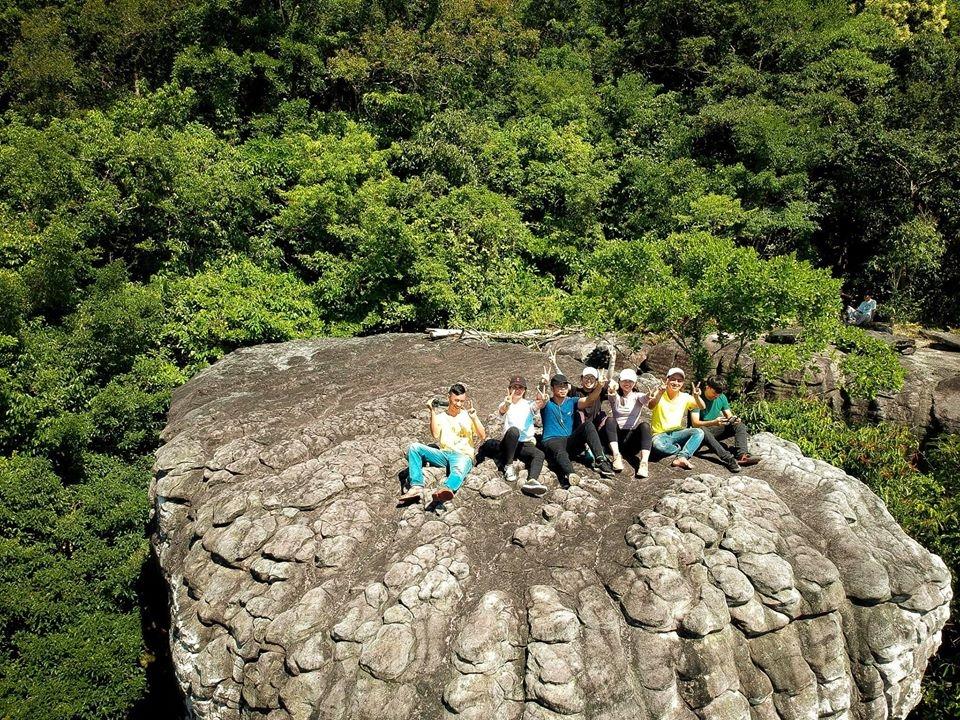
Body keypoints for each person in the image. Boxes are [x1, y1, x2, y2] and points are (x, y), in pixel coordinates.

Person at [399, 383, 486, 505]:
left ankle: (446, 489)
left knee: (458, 470)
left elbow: (482, 436)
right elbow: (435, 434)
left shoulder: (468, 415)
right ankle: (416, 487)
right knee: (414, 447)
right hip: (444, 454)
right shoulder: (441, 417)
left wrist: (475, 418)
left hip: (463, 455)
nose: (459, 404)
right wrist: (432, 411)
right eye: (456, 400)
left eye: (462, 401)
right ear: (448, 397)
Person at [535, 372, 615, 486]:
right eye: (559, 386)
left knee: (588, 425)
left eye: (565, 386)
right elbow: (540, 399)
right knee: (560, 451)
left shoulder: (572, 401)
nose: (563, 389)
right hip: (551, 440)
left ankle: (600, 460)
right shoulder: (546, 403)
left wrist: (599, 386)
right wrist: (543, 383)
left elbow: (589, 400)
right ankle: (571, 474)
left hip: (569, 440)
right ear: (552, 388)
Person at [690, 376, 760, 468]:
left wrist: (734, 420)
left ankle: (743, 455)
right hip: (700, 433)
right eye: (715, 393)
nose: (716, 396)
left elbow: (729, 416)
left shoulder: (721, 397)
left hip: (715, 430)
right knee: (702, 429)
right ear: (708, 387)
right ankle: (727, 458)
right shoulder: (697, 398)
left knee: (739, 425)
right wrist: (714, 422)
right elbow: (695, 423)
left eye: (719, 394)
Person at [497, 375, 548, 497]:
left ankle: (532, 481)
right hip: (509, 443)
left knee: (539, 454)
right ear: (509, 389)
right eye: (514, 387)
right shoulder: (505, 403)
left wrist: (543, 384)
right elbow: (502, 410)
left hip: (524, 444)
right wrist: (507, 404)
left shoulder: (529, 404)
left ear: (524, 390)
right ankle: (508, 466)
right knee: (514, 431)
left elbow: (539, 404)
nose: (518, 390)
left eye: (521, 387)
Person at [649, 367, 705, 470]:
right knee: (658, 446)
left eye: (679, 381)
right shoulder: (659, 393)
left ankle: (682, 457)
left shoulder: (685, 397)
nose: (676, 383)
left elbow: (702, 407)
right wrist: (660, 393)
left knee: (699, 432)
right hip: (660, 435)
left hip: (677, 433)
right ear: (667, 380)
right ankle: (679, 448)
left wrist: (697, 397)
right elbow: (650, 406)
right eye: (673, 379)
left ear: (683, 383)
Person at [606, 368, 654, 478]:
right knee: (610, 420)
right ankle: (616, 456)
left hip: (631, 438)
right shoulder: (615, 396)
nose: (627, 383)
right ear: (619, 381)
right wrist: (612, 391)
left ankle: (644, 463)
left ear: (635, 383)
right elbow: (612, 395)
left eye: (630, 381)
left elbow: (644, 398)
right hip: (617, 437)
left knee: (645, 426)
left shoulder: (637, 396)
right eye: (624, 381)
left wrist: (648, 396)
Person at [573, 367, 619, 470]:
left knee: (607, 418)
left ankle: (616, 455)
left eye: (592, 378)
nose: (589, 380)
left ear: (596, 380)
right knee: (579, 414)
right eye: (586, 377)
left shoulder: (599, 391)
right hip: (581, 431)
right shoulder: (575, 391)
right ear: (581, 379)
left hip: (597, 430)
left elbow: (611, 382)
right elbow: (562, 384)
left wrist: (614, 385)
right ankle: (589, 448)